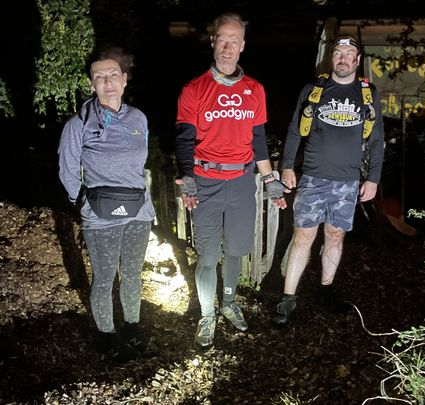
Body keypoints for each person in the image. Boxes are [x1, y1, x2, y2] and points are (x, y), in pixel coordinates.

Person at [175, 12, 289, 348]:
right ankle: (207, 314)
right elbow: (184, 138)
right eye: (222, 39)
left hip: (241, 182)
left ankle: (228, 303)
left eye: (234, 40)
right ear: (213, 42)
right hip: (206, 181)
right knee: (209, 255)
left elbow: (258, 141)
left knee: (237, 250)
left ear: (242, 46)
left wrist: (269, 180)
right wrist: (187, 176)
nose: (227, 47)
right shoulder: (193, 89)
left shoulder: (255, 90)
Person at [272, 34, 385, 325]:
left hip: (347, 183)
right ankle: (287, 300)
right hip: (312, 178)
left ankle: (326, 290)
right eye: (338, 53)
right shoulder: (314, 90)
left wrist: (372, 179)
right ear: (331, 58)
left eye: (349, 54)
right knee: (303, 237)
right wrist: (287, 167)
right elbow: (296, 130)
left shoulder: (368, 94)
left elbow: (376, 141)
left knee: (335, 236)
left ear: (357, 61)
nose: (343, 58)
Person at [58, 46, 155, 362]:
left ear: (124, 80)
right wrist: (83, 203)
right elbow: (67, 168)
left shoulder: (138, 118)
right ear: (91, 84)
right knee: (104, 277)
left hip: (139, 211)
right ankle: (106, 336)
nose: (107, 82)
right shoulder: (79, 124)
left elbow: (139, 165)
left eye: (113, 75)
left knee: (132, 273)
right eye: (99, 77)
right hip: (101, 216)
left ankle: (132, 328)